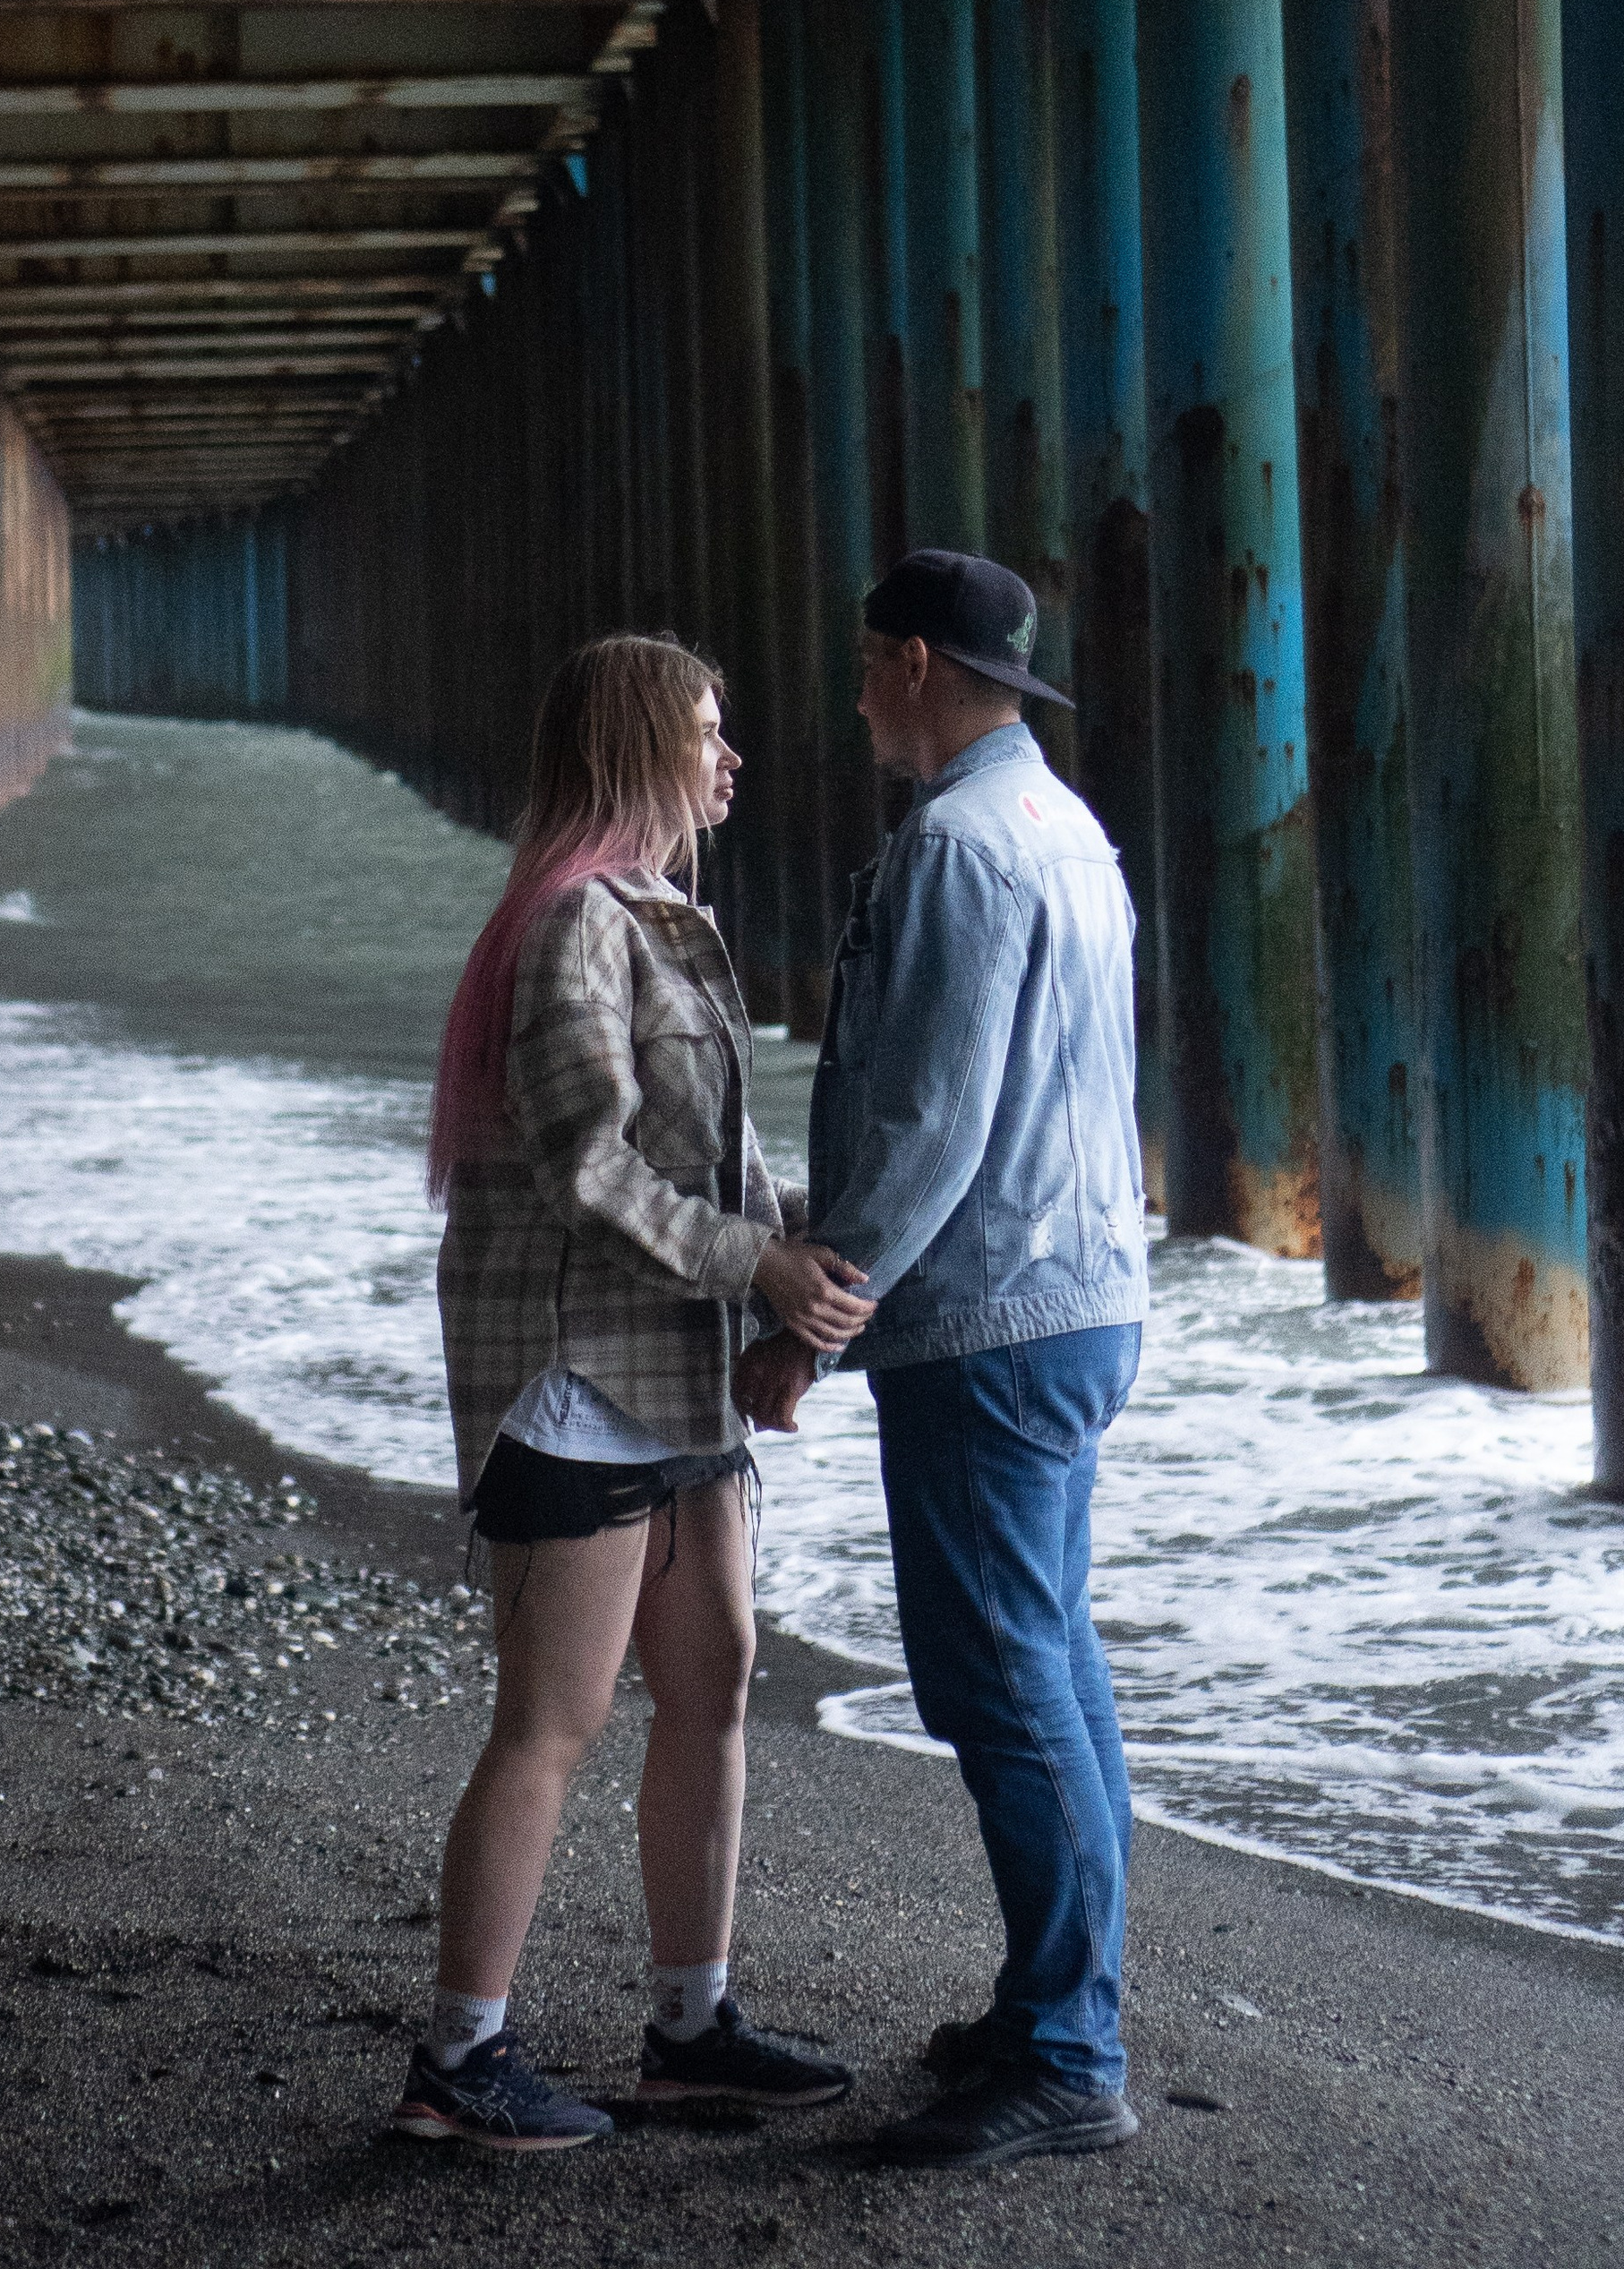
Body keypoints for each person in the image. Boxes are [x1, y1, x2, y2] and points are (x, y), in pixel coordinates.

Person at [393, 631, 873, 2154]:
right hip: (577, 1375)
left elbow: (703, 1160)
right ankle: (459, 2060)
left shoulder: (663, 920)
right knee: (553, 1718)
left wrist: (802, 1240)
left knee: (718, 1676)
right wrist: (758, 1263)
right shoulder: (572, 928)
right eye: (710, 733)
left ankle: (692, 2030)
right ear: (638, 748)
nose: (733, 760)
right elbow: (584, 1165)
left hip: (677, 1381)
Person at [736, 550, 1148, 2171]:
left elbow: (931, 1119)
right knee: (1050, 1657)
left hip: (992, 1316)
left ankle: (1066, 2049)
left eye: (860, 664)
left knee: (998, 1676)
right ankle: (1066, 2001)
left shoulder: (964, 849)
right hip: (1084, 1292)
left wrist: (811, 1316)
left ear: (914, 662)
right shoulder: (1065, 828)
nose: (848, 695)